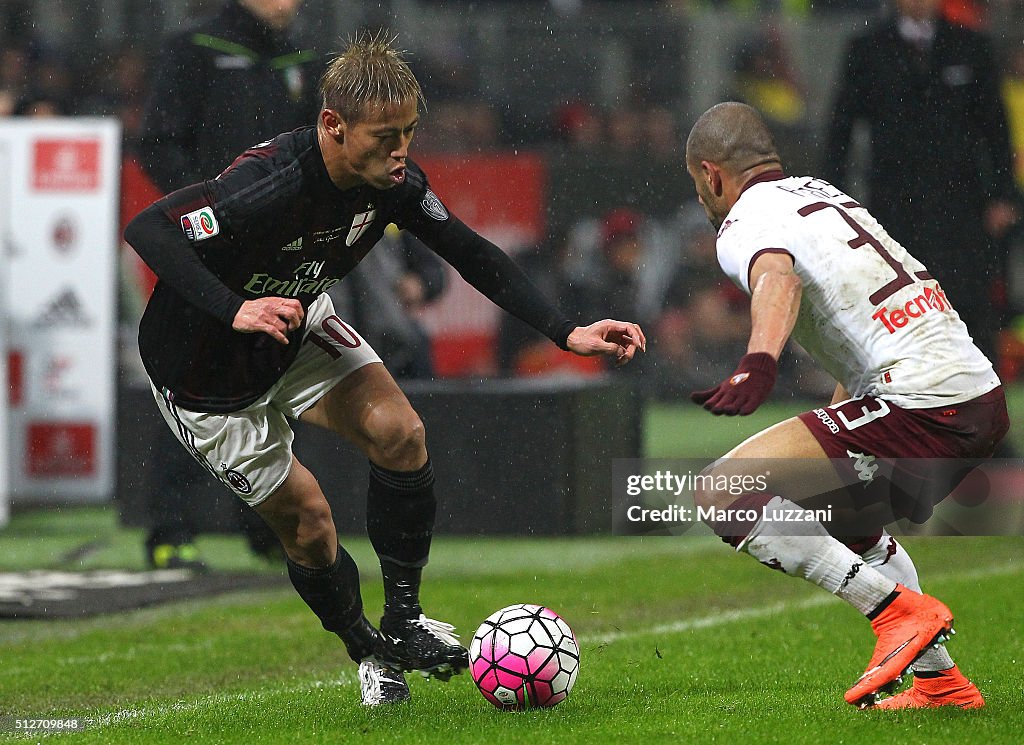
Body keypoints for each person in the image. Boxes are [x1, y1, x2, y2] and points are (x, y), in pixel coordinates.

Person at [123, 31, 645, 707]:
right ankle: (366, 649)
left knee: (402, 433)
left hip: (297, 324)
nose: (400, 152)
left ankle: (403, 619)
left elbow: (469, 250)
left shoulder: (394, 183)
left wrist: (565, 329)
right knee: (309, 522)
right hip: (204, 376)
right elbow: (150, 228)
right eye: (383, 136)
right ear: (333, 126)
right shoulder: (269, 180)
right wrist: (236, 309)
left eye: (408, 133)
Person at [683, 102, 1007, 710]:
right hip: (977, 397)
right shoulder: (823, 195)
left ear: (713, 174)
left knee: (722, 492)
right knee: (847, 520)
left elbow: (778, 279)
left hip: (923, 400)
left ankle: (894, 615)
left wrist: (758, 361)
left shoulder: (744, 222)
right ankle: (942, 684)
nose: (703, 199)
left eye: (698, 185)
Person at [135, 0, 323, 570]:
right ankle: (169, 530)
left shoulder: (307, 58)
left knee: (274, 382)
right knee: (188, 382)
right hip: (208, 246)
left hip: (282, 250)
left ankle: (266, 528)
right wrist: (210, 212)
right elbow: (158, 142)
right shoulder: (196, 48)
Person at [821, 0, 1018, 367]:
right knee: (896, 303)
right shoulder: (868, 50)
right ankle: (900, 405)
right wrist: (833, 201)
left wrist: (1003, 195)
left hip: (961, 205)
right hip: (894, 206)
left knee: (969, 306)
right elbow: (841, 132)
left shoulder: (970, 47)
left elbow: (996, 129)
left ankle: (981, 410)